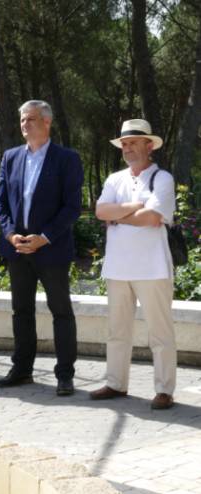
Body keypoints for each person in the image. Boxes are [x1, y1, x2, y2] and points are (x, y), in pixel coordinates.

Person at [0, 100, 83, 396]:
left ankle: (65, 374)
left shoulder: (67, 159)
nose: (24, 124)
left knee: (61, 311)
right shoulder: (10, 157)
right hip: (18, 248)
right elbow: (1, 202)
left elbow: (72, 207)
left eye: (30, 119)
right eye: (22, 119)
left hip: (51, 249)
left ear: (47, 122)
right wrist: (10, 235)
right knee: (21, 311)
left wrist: (44, 237)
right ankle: (22, 369)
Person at [89, 119, 177, 410]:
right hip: (117, 266)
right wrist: (134, 208)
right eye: (124, 144)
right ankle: (116, 383)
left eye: (133, 143)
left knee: (160, 332)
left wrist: (118, 216)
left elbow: (152, 218)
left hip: (153, 268)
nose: (127, 148)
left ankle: (164, 390)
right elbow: (101, 211)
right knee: (117, 330)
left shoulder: (162, 178)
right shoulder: (115, 179)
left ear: (149, 145)